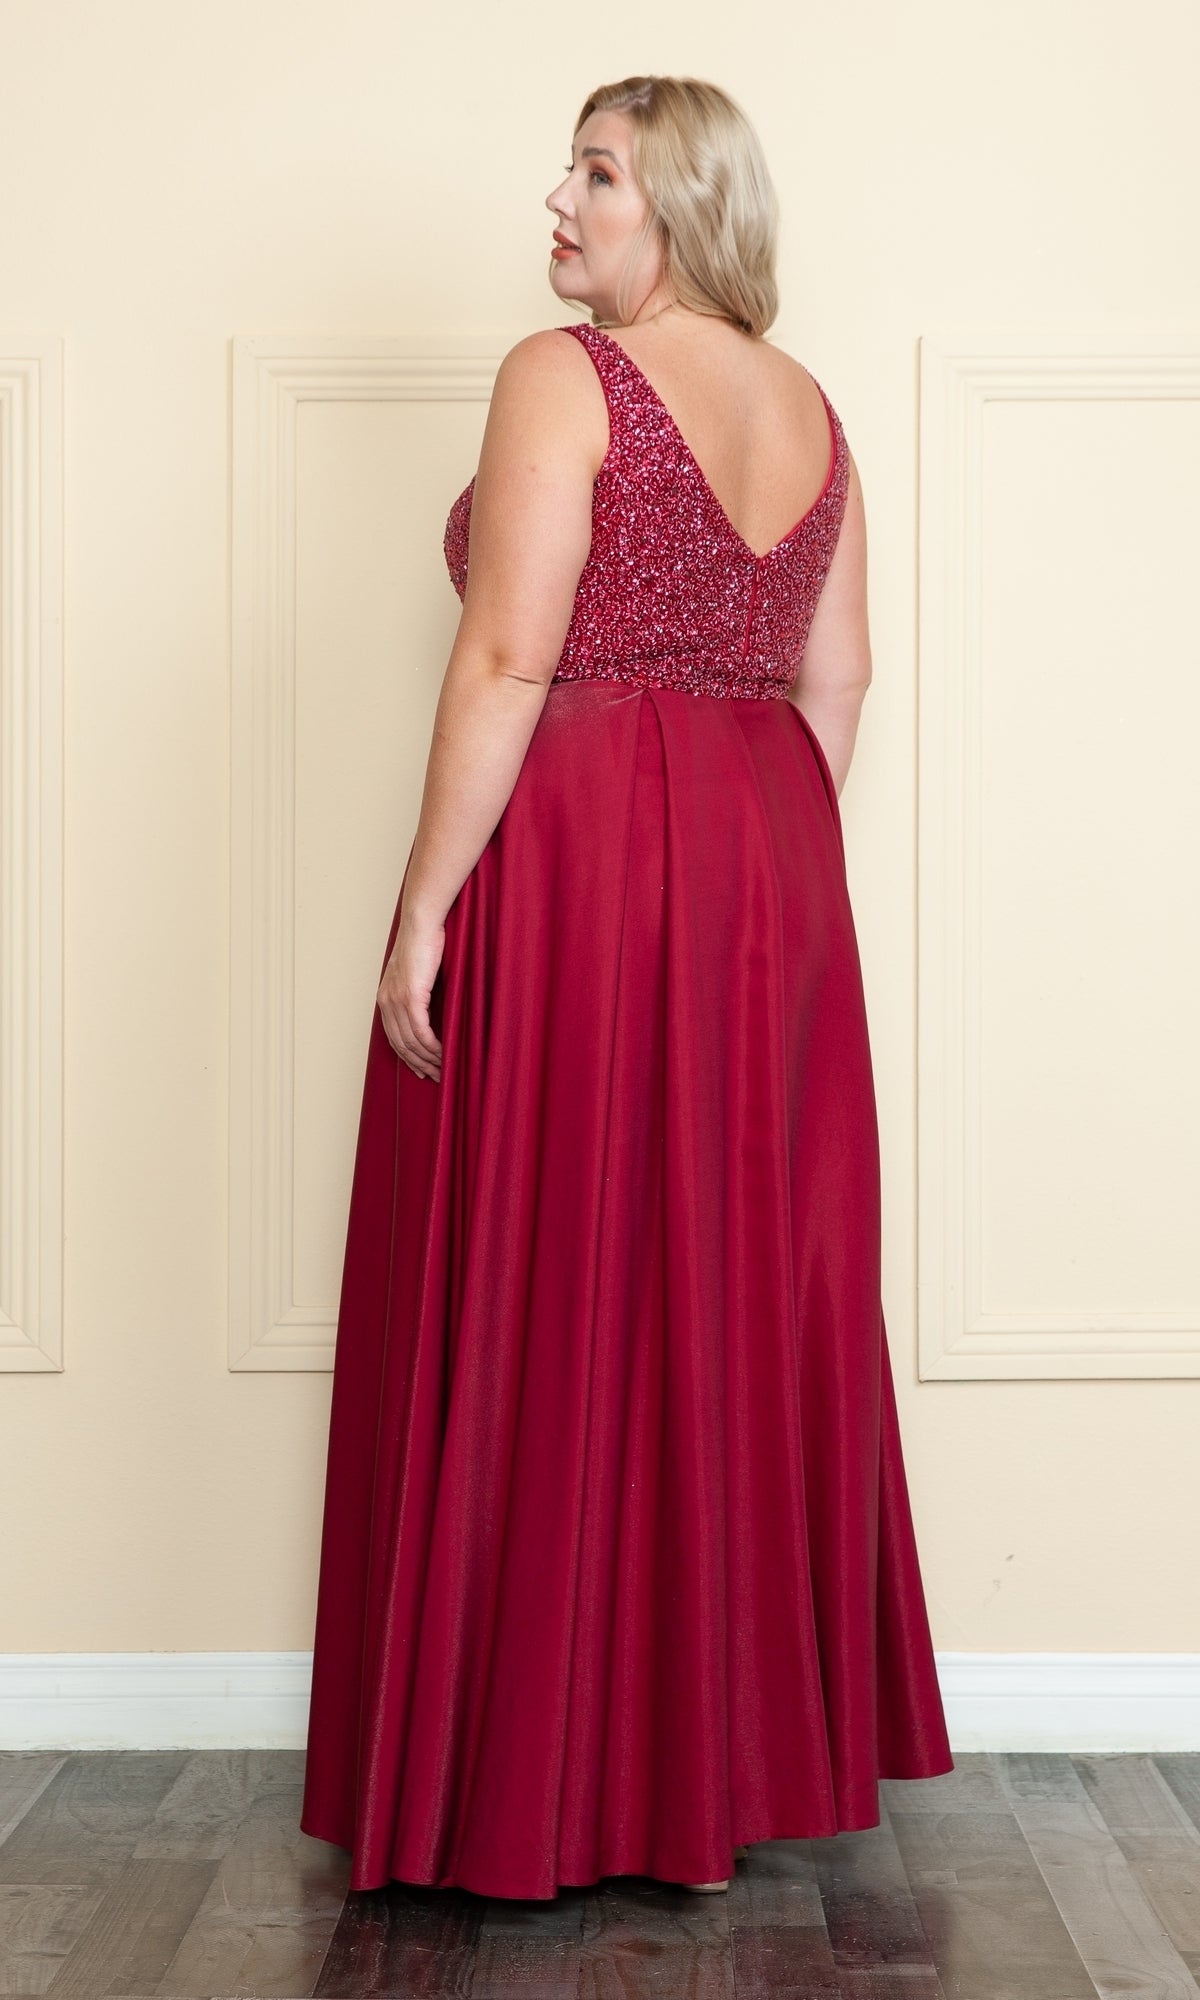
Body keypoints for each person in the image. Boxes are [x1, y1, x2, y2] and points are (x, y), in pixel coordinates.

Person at [298, 72, 954, 1903]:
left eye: (596, 174)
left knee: (557, 1272)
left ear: (681, 204)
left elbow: (512, 656)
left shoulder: (562, 374)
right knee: (721, 1287)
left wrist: (422, 910)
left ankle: (537, 1781)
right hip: (770, 872)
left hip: (584, 855)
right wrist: (749, 862)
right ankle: (711, 1772)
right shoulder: (813, 411)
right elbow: (839, 681)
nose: (559, 203)